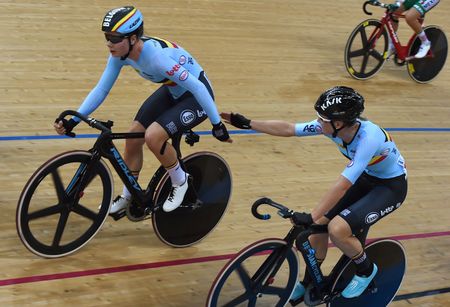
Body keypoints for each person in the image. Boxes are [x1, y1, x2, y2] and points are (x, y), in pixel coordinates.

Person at [221, 86, 407, 300]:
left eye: (322, 119)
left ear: (338, 123)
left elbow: (343, 184)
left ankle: (365, 269)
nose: (317, 122)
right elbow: (289, 129)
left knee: (337, 229)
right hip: (367, 179)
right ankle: (310, 282)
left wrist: (312, 214)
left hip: (390, 187)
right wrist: (247, 123)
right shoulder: (331, 127)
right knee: (318, 227)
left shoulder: (369, 137)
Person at [54, 6, 232, 215]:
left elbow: (198, 87)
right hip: (172, 90)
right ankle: (128, 195)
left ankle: (180, 181)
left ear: (132, 39)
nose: (109, 43)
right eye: (107, 37)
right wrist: (75, 120)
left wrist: (216, 124)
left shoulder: (158, 58)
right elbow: (101, 90)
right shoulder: (119, 56)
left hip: (197, 98)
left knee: (153, 137)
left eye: (114, 38)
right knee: (132, 137)